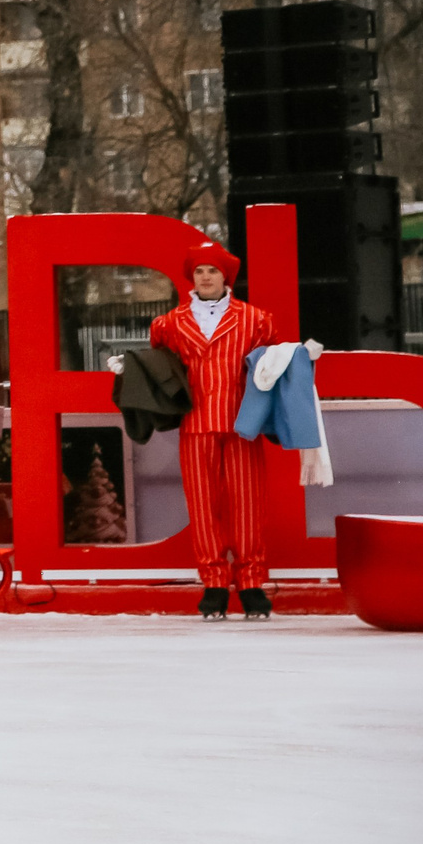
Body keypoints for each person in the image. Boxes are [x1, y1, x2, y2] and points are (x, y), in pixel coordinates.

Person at [143, 243, 278, 621]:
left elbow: (271, 367)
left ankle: (251, 582)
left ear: (225, 277)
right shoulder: (169, 324)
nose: (205, 277)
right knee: (202, 506)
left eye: (212, 271)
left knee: (248, 504)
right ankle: (214, 584)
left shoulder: (256, 320)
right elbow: (162, 367)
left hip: (241, 423)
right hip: (196, 423)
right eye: (199, 271)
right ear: (192, 277)